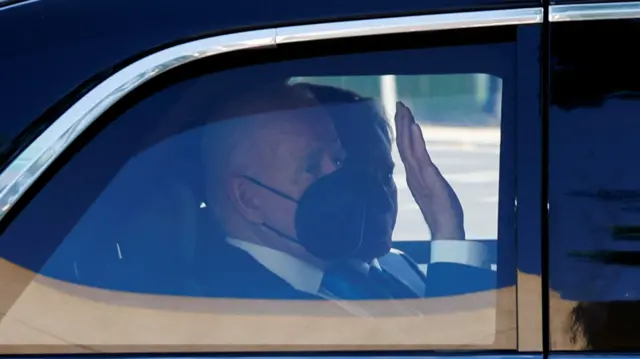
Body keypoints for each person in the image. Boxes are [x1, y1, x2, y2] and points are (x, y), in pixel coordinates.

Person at [194, 81, 488, 301]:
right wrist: (446, 229)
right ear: (248, 198)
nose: (342, 179)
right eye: (311, 167)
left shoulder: (368, 269)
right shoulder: (249, 308)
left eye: (337, 160)